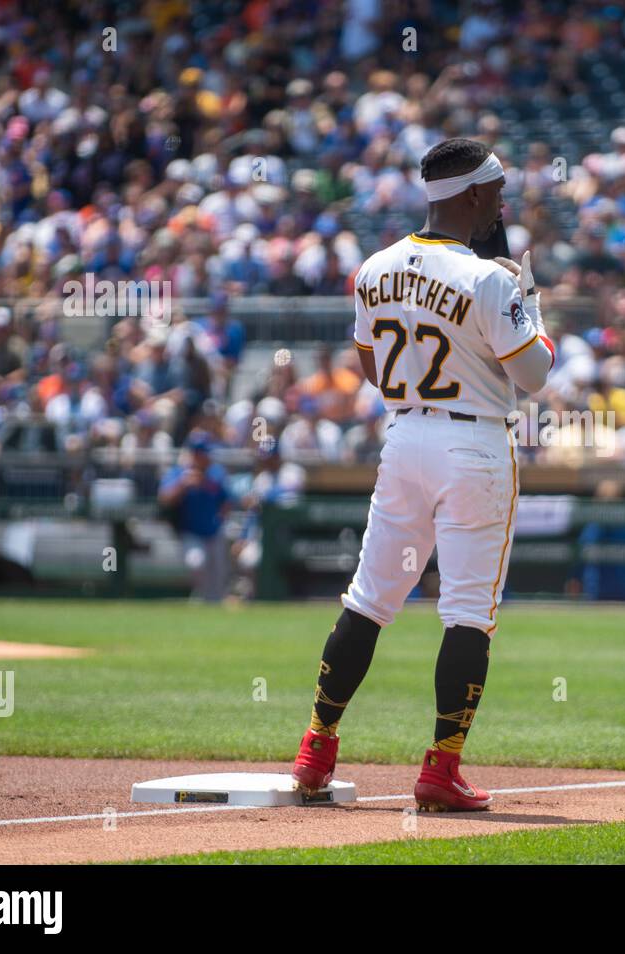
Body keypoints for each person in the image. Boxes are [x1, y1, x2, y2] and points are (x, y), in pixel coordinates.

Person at [289, 138, 555, 811]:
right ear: (469, 196)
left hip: (405, 435)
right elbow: (535, 375)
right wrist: (533, 309)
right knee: (467, 612)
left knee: (370, 598)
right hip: (474, 444)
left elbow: (373, 368)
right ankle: (441, 767)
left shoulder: (375, 268)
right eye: (494, 191)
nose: (500, 202)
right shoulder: (493, 277)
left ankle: (316, 747)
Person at [157, 430, 231, 602]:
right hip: (189, 532)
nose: (205, 457)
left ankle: (213, 605)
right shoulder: (179, 473)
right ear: (194, 454)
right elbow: (164, 499)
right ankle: (199, 597)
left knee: (219, 577)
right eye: (201, 453)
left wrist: (220, 520)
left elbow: (227, 501)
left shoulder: (216, 473)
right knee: (197, 562)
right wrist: (184, 485)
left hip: (213, 532)